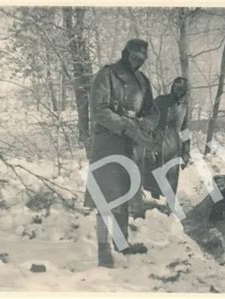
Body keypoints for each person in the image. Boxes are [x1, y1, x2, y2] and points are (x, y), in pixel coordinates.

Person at [84, 39, 159, 268]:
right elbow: (98, 110)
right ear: (124, 53)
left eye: (141, 59)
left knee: (125, 195)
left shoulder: (143, 81)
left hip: (132, 145)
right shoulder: (107, 75)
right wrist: (126, 126)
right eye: (134, 57)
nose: (137, 62)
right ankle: (103, 249)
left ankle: (121, 242)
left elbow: (152, 110)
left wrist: (145, 123)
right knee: (106, 197)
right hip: (109, 142)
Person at [143, 77, 191, 201]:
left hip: (173, 147)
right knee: (152, 173)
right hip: (156, 142)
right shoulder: (160, 100)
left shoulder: (185, 108)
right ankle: (152, 202)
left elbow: (185, 131)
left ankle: (169, 207)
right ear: (172, 88)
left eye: (181, 89)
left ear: (185, 90)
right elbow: (148, 118)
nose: (178, 91)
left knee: (171, 177)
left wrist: (186, 152)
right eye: (176, 88)